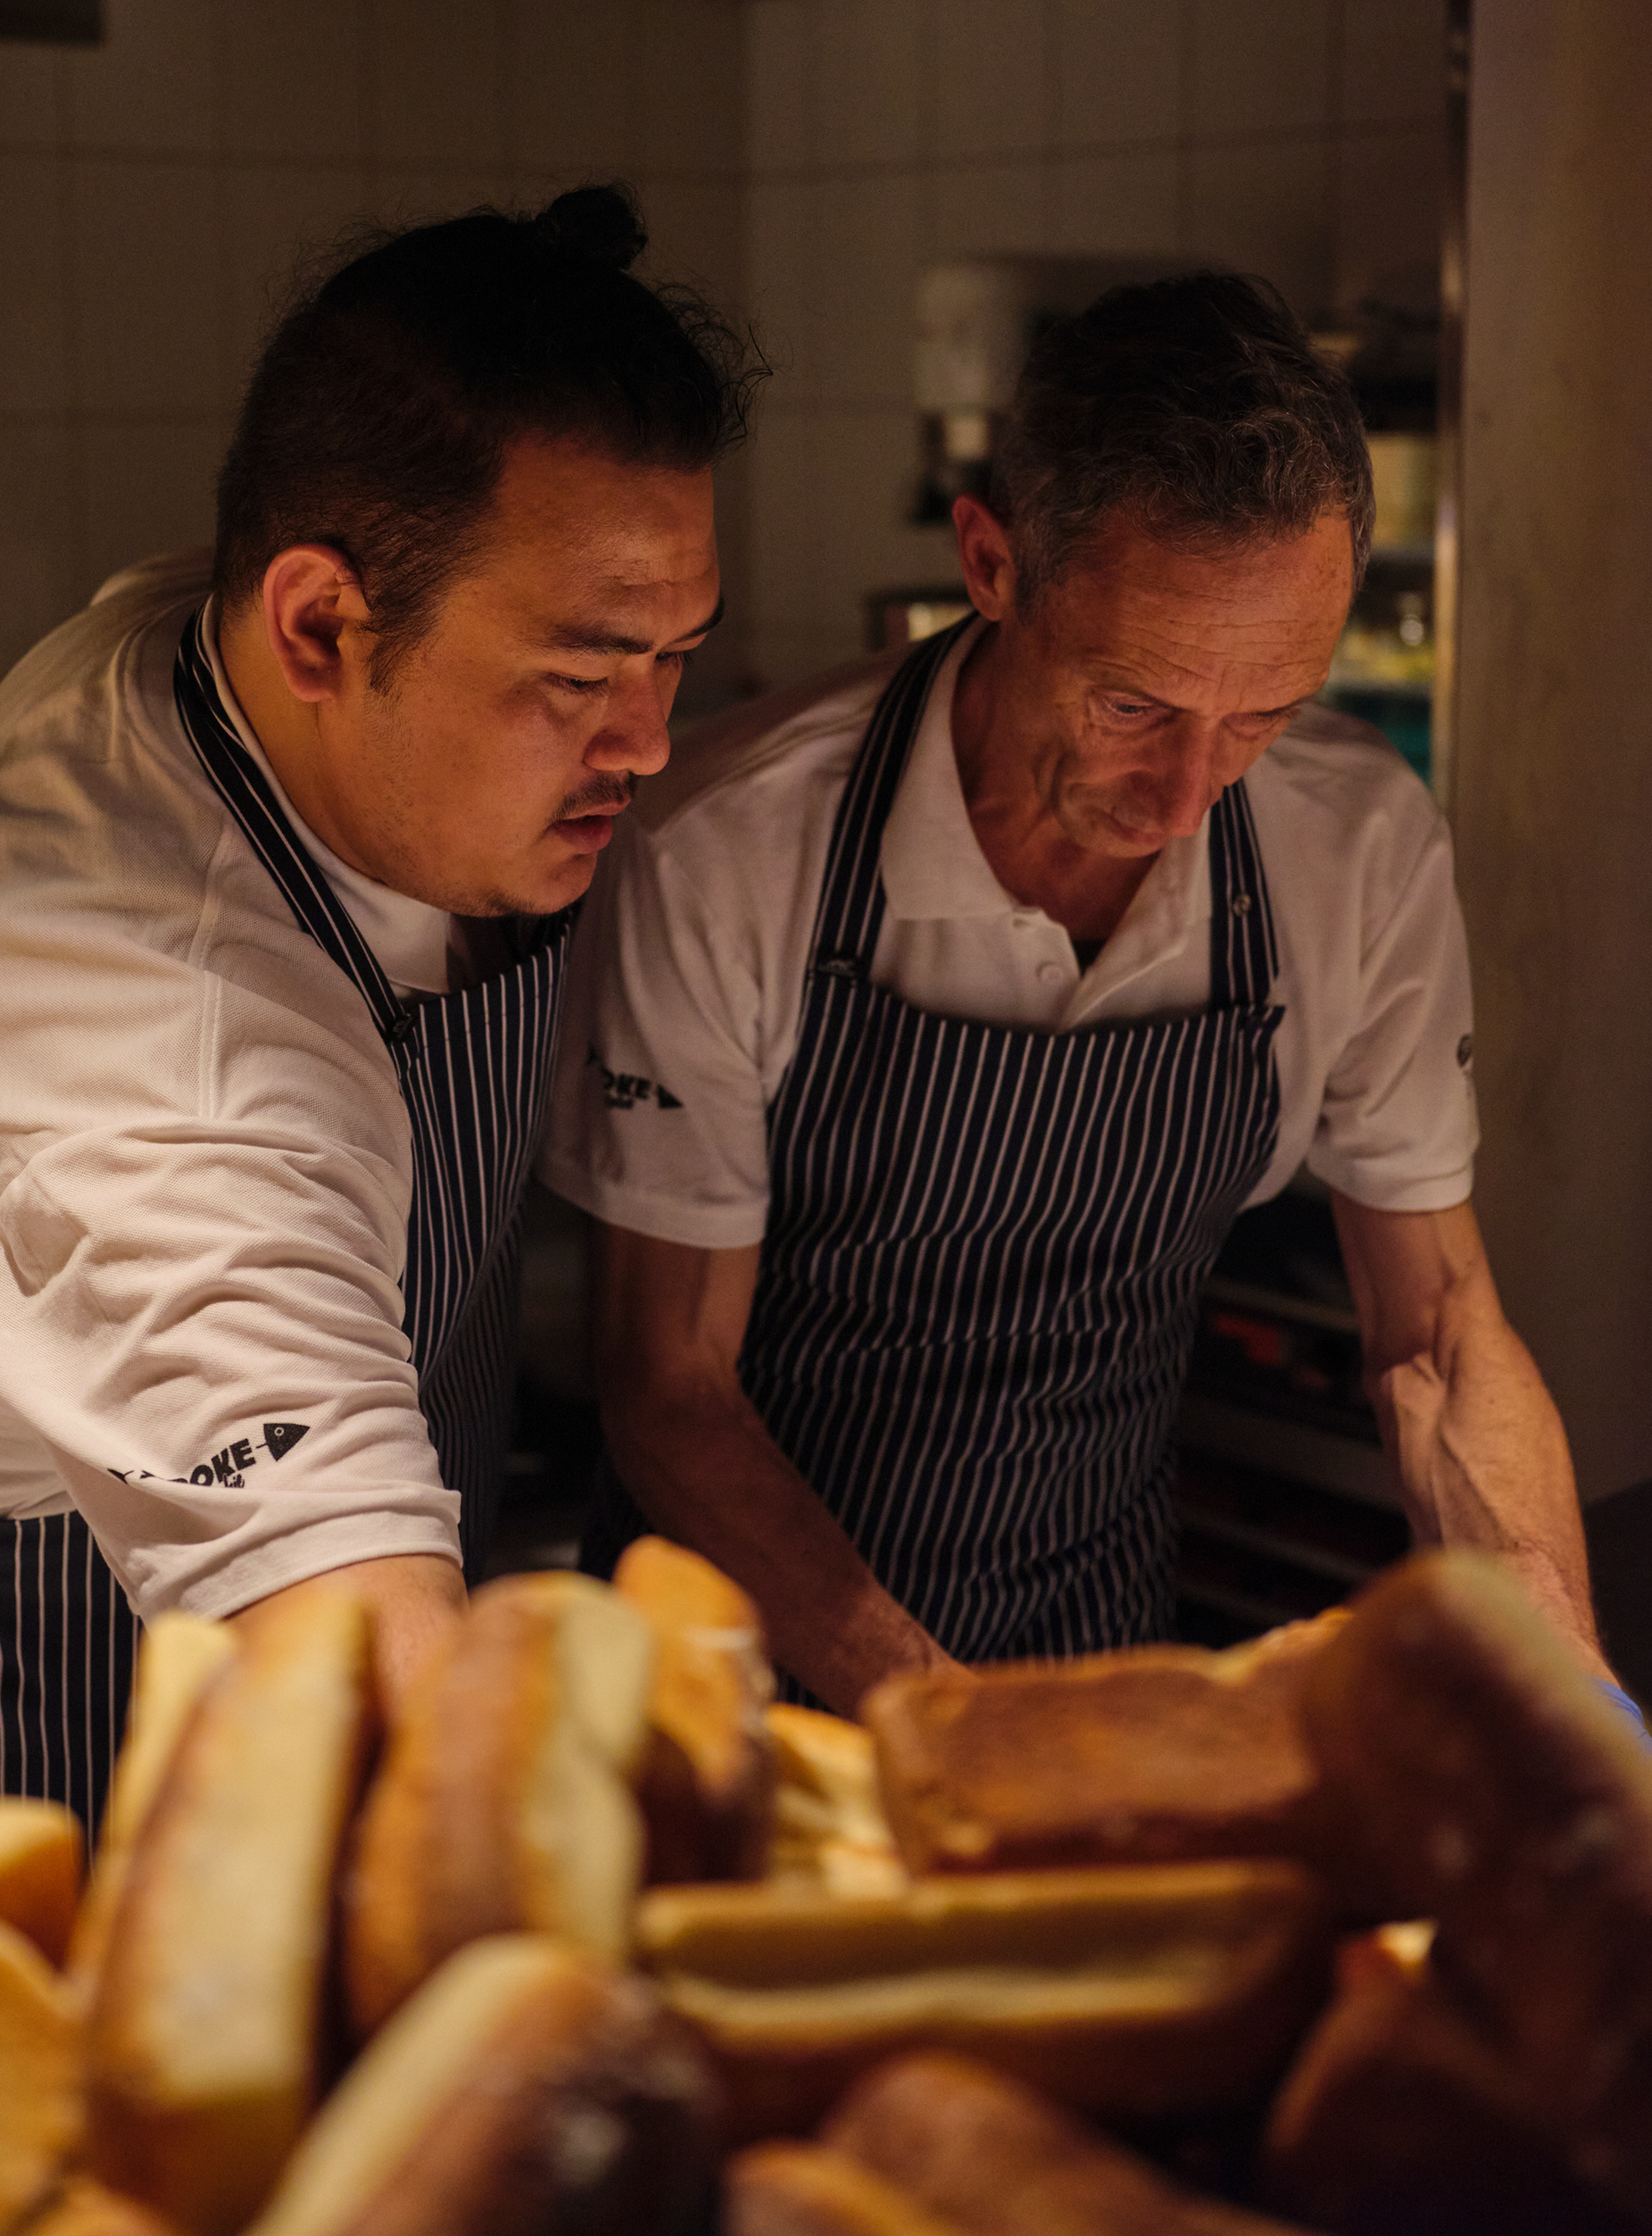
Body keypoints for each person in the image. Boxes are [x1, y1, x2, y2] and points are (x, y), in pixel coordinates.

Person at [543, 272, 1627, 1722]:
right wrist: (948, 1721)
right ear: (991, 565)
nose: (1187, 800)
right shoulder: (728, 846)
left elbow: (1438, 1330)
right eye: (1133, 706)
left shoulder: (1355, 848)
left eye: (1263, 715)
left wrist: (1569, 1677)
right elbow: (668, 1385)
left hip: (1100, 1641)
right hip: (730, 1688)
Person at [0, 185, 756, 1828]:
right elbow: (380, 1682)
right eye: (580, 677)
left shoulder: (225, 646)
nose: (651, 743)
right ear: (317, 623)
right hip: (85, 1749)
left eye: (675, 656)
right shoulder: (164, 1058)